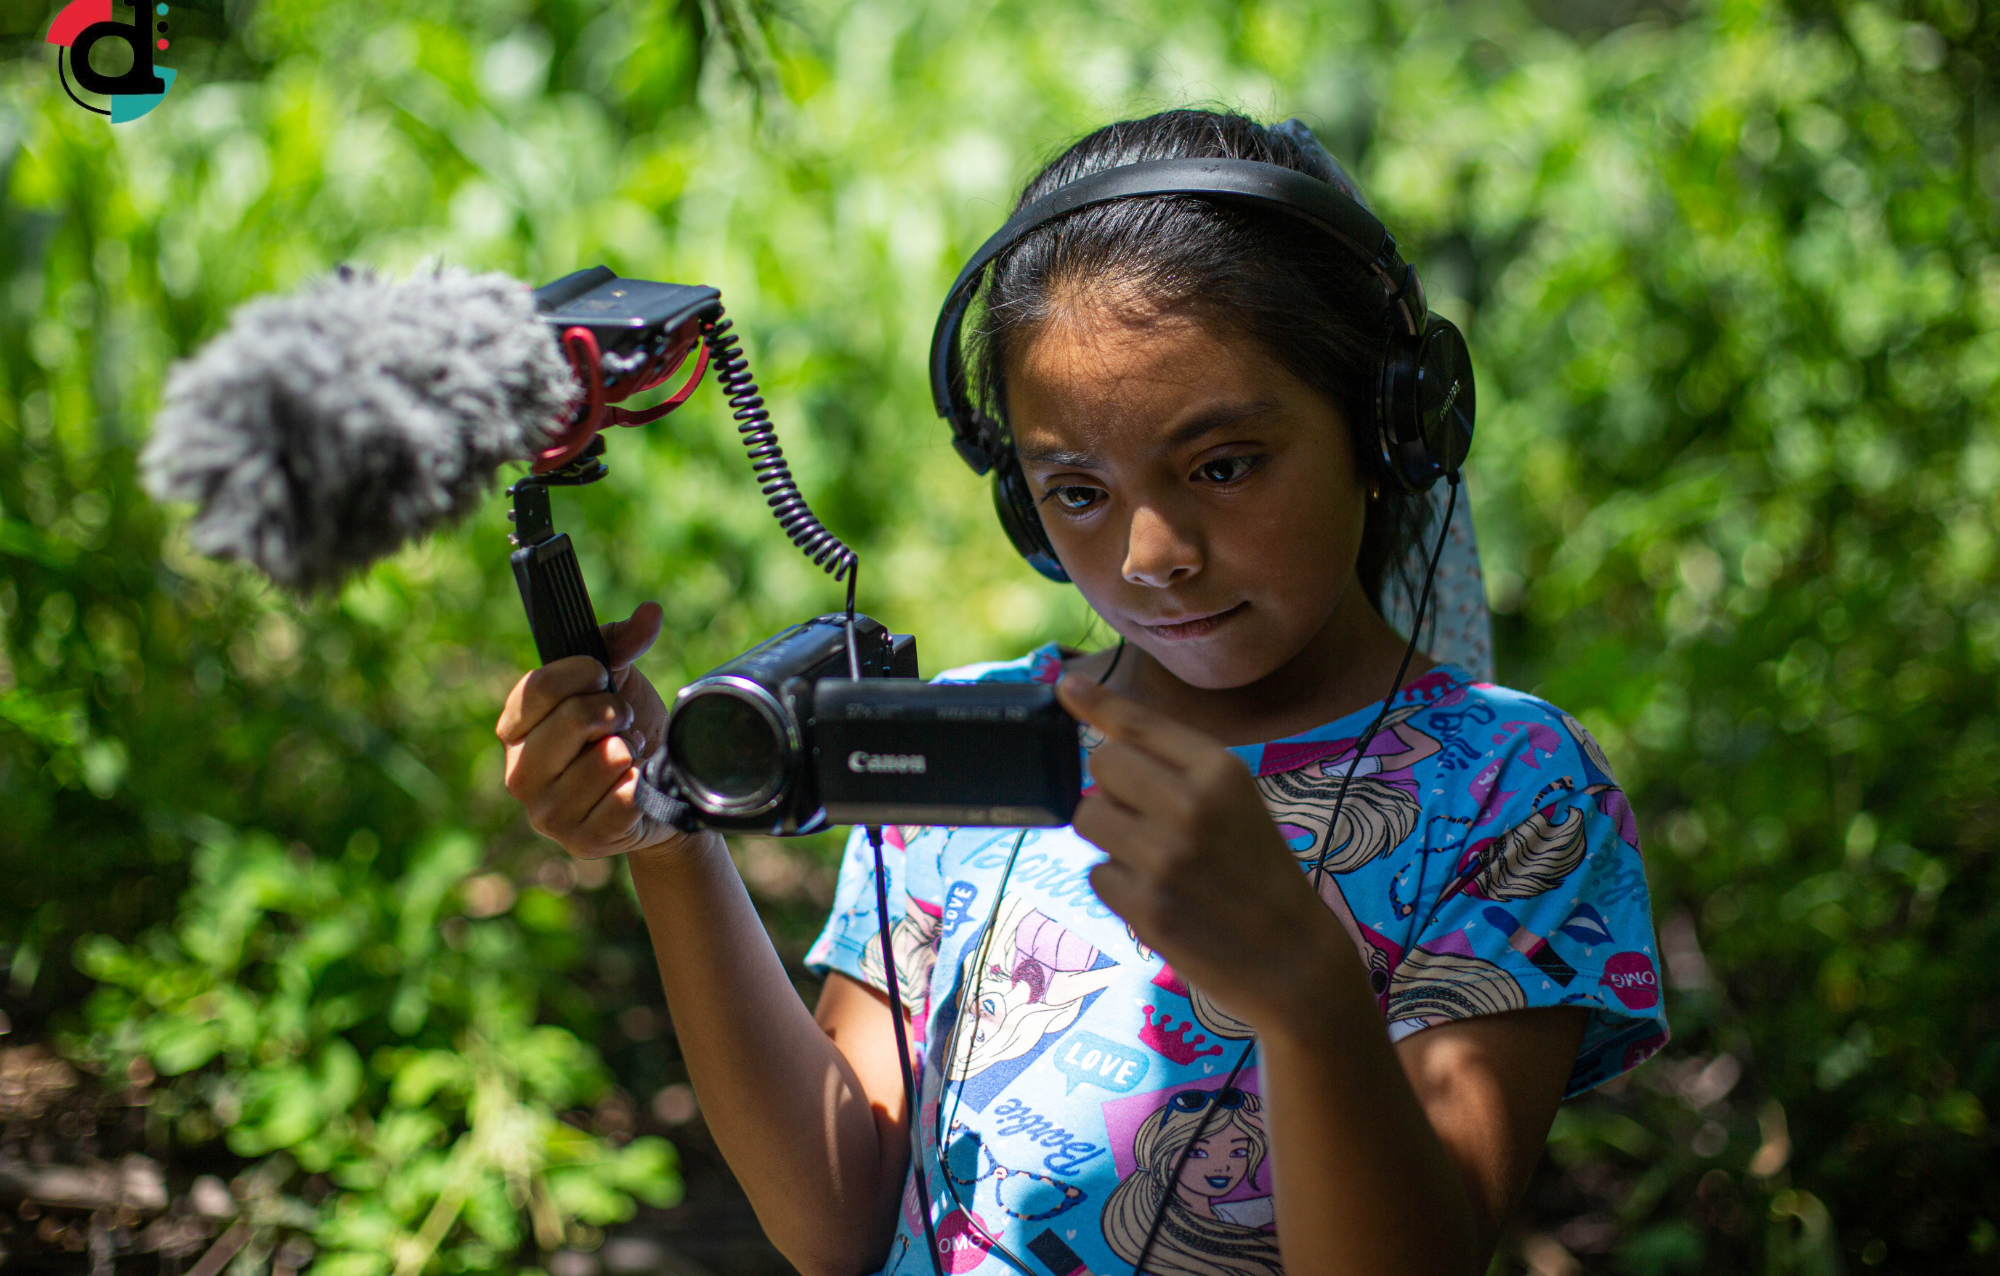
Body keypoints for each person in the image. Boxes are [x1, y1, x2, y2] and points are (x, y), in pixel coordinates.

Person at [495, 109, 1667, 1276]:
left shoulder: (1509, 789)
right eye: (1077, 488)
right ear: (1019, 501)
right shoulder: (962, 744)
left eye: (1221, 466)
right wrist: (669, 839)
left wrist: (1306, 990)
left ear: (1384, 426)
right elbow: (834, 1214)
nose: (1151, 551)